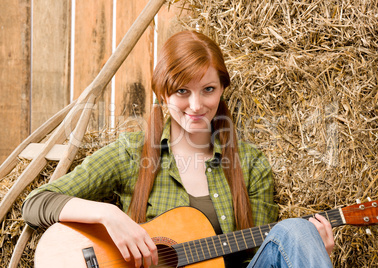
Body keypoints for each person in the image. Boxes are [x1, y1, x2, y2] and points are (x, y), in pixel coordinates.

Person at [22, 30, 334, 267]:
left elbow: (258, 254)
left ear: (223, 89)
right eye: (182, 91)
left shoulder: (250, 163)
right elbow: (36, 203)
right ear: (162, 92)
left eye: (208, 89)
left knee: (295, 230)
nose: (197, 106)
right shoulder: (131, 154)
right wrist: (109, 215)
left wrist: (306, 245)